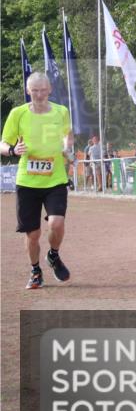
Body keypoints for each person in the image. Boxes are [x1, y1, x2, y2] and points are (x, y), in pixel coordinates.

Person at [1, 73, 74, 289]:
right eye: (35, 90)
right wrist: (13, 150)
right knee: (32, 234)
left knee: (57, 223)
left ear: (49, 89)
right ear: (28, 91)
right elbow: (3, 143)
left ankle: (53, 255)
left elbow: (67, 135)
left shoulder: (61, 111)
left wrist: (66, 146)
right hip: (27, 182)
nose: (39, 94)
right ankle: (35, 270)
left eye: (43, 90)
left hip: (56, 178)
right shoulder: (18, 113)